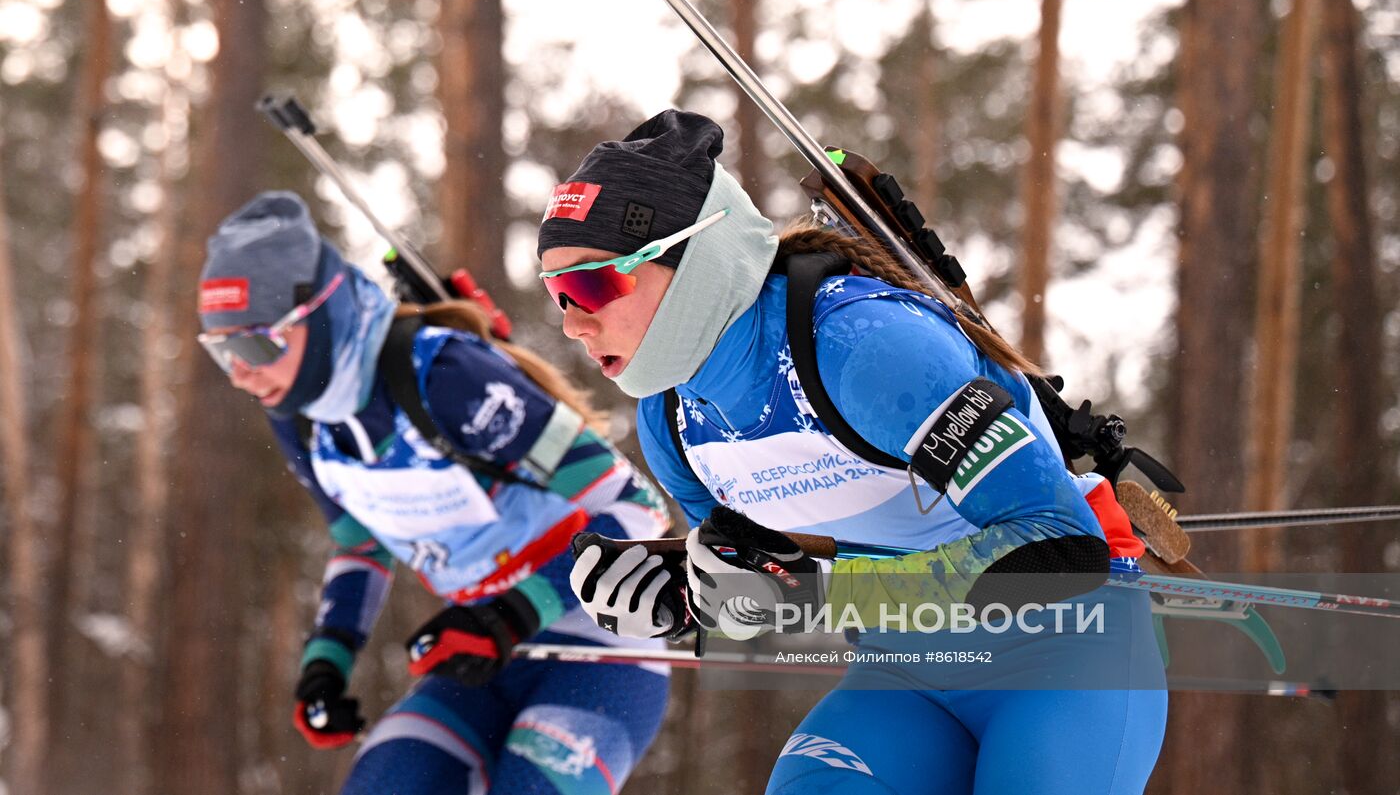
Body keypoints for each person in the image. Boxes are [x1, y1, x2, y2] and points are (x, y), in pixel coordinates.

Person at [537, 111, 1168, 794]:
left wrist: (817, 594)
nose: (573, 322)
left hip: (1063, 659)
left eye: (594, 284)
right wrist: (689, 595)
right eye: (558, 294)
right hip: (906, 677)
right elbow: (769, 580)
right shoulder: (673, 422)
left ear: (695, 260)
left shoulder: (863, 346)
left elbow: (1061, 545)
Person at [197, 191, 671, 795]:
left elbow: (636, 508)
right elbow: (360, 544)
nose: (240, 372)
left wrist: (512, 612)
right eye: (220, 350)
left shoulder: (446, 376)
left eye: (252, 344)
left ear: (316, 316)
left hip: (597, 644)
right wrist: (328, 661)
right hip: (481, 655)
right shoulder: (301, 415)